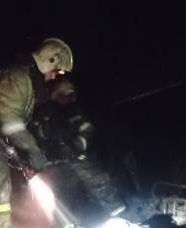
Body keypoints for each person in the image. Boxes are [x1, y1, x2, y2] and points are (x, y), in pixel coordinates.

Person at [0, 38, 74, 228]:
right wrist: (33, 151)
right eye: (55, 71)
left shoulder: (27, 82)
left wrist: (23, 158)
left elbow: (10, 125)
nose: (53, 77)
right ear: (48, 60)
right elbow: (10, 121)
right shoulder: (18, 79)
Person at [31, 79, 126, 220]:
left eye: (72, 95)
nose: (70, 98)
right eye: (66, 95)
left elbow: (87, 131)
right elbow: (34, 135)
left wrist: (76, 145)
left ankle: (117, 211)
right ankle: (72, 223)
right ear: (57, 95)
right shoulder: (43, 112)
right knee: (63, 194)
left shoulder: (76, 111)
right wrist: (47, 135)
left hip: (76, 156)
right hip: (53, 162)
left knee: (97, 180)